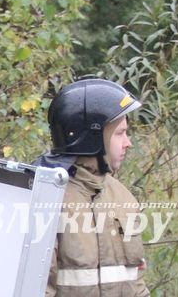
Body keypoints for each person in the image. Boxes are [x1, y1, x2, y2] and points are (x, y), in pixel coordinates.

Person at [35, 77, 150, 296]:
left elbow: (136, 284)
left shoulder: (123, 197)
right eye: (120, 133)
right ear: (92, 138)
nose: (128, 143)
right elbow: (38, 289)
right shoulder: (48, 197)